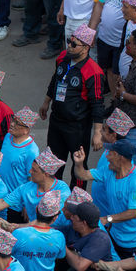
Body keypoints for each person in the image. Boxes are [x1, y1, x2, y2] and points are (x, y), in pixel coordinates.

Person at [39, 24, 105, 181]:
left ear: (86, 48)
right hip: (56, 121)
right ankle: (53, 198)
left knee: (78, 167)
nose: (69, 46)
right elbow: (55, 80)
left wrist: (97, 133)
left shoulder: (93, 72)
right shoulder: (62, 58)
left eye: (74, 44)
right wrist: (46, 102)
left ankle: (76, 201)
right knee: (52, 163)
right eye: (69, 41)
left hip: (77, 127)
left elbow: (98, 104)